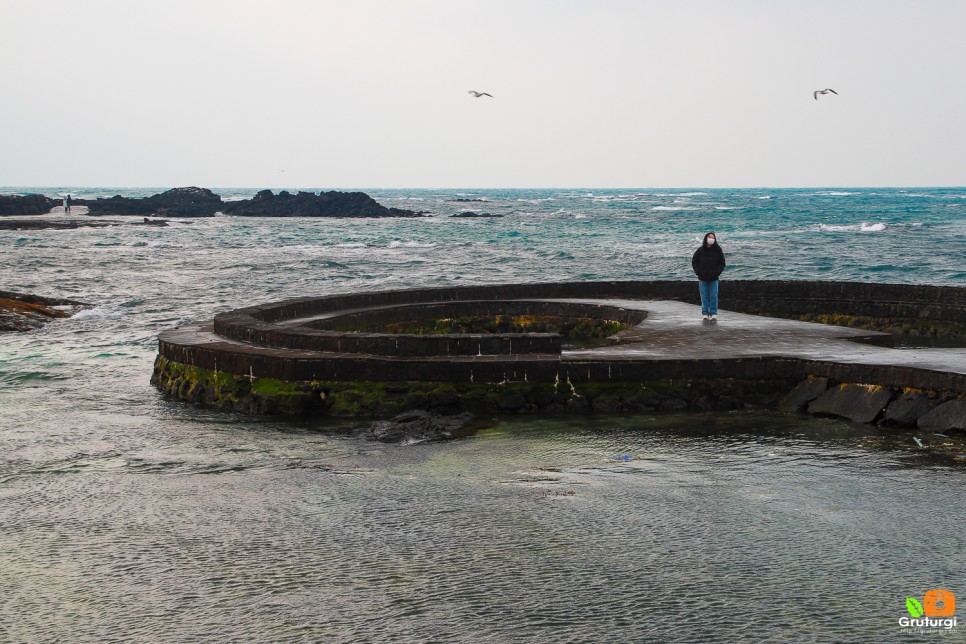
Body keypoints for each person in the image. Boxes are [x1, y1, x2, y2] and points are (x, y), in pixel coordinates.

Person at [691, 232, 726, 322]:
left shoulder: (718, 250)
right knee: (704, 297)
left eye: (713, 237)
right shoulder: (700, 250)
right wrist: (698, 272)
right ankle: (705, 314)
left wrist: (717, 272)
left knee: (714, 296)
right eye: (710, 237)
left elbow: (722, 263)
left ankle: (713, 314)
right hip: (703, 278)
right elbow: (694, 261)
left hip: (714, 278)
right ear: (706, 238)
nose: (711, 239)